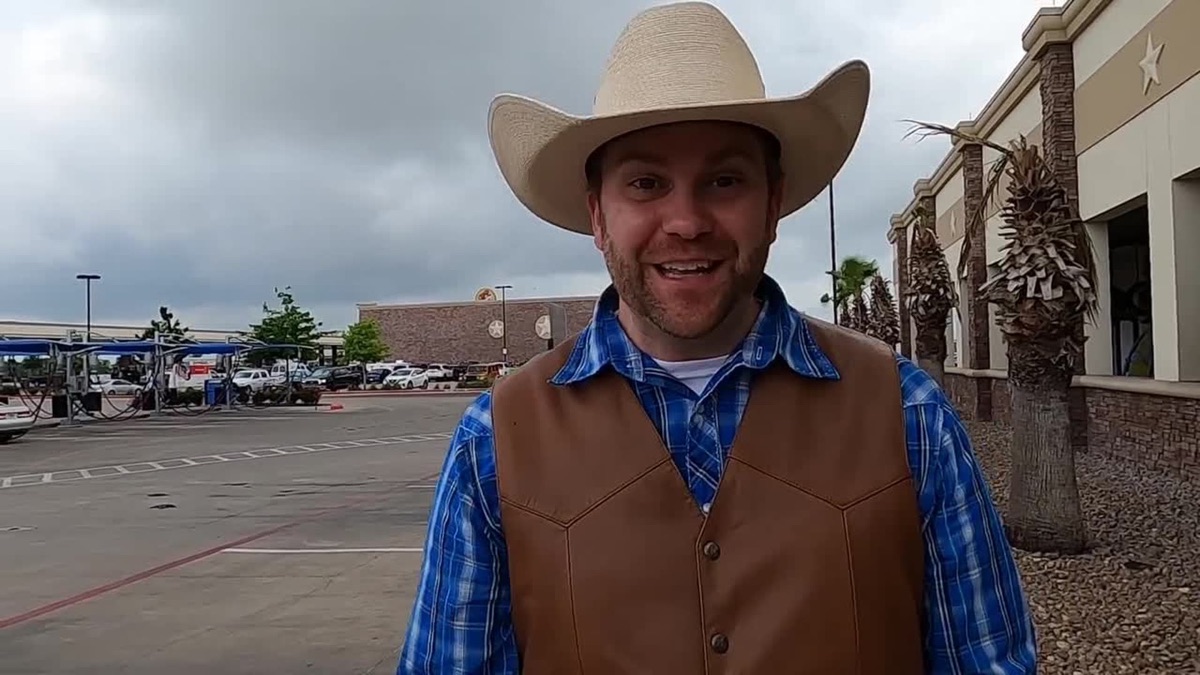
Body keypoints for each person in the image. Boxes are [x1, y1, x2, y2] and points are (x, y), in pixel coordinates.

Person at [398, 3, 1037, 674]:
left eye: (724, 180)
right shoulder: (494, 442)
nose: (686, 220)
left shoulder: (907, 414)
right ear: (598, 214)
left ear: (772, 203)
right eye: (646, 183)